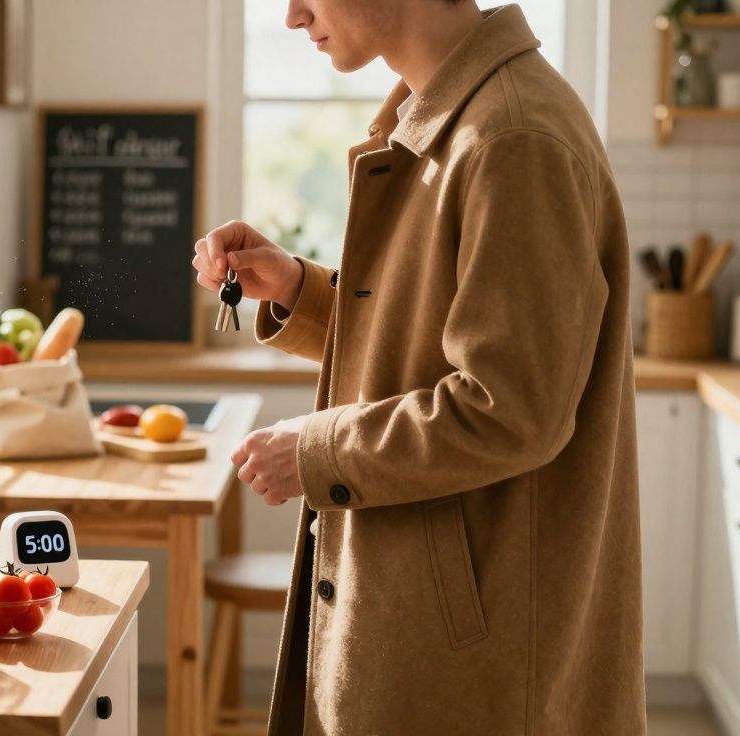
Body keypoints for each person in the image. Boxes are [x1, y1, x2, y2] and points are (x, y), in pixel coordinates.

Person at [193, 1, 644, 734]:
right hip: (440, 630)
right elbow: (432, 339)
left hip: (477, 658)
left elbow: (508, 408)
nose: (291, 14)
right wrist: (299, 291)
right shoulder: (455, 121)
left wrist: (317, 449)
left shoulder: (512, 137)